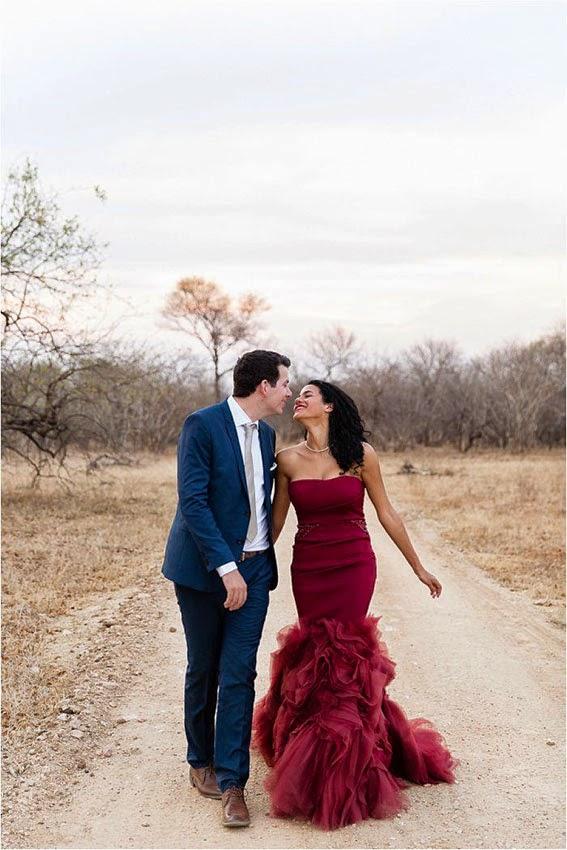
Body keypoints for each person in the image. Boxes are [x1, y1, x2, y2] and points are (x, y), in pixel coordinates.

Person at [252, 379, 459, 831]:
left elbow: (386, 512)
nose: (298, 399)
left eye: (308, 393)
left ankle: (353, 763)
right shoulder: (285, 459)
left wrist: (418, 568)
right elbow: (275, 522)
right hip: (309, 568)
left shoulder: (361, 455)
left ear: (328, 405)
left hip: (353, 564)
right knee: (315, 654)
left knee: (345, 655)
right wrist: (246, 565)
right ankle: (315, 760)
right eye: (297, 393)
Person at [162, 350, 292, 828]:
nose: (287, 392)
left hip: (255, 572)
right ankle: (201, 762)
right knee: (205, 668)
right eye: (283, 383)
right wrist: (225, 566)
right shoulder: (203, 424)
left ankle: (234, 783)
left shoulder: (268, 435)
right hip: (202, 572)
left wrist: (248, 562)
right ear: (262, 385)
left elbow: (259, 505)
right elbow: (193, 501)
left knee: (239, 672)